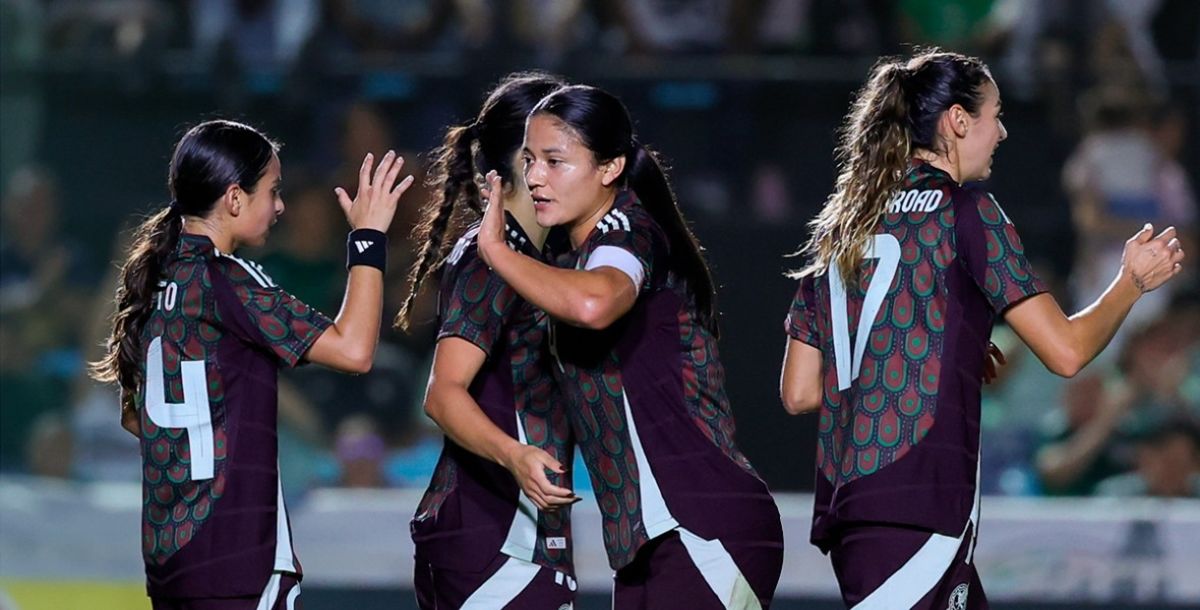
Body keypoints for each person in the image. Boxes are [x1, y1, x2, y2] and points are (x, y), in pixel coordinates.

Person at [779, 50, 1185, 609]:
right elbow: (1065, 352)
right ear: (957, 120)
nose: (1002, 130)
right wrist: (1131, 282)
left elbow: (800, 392)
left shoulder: (844, 224)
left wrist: (934, 351)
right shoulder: (966, 212)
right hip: (919, 508)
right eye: (995, 113)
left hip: (857, 506)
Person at [477, 84, 784, 609]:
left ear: (610, 167)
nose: (534, 177)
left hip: (700, 522)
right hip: (644, 540)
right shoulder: (567, 261)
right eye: (529, 160)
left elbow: (596, 304)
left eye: (555, 161)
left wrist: (497, 253)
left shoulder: (628, 231)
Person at [90, 119, 414, 610]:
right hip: (237, 555)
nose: (280, 205)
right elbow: (354, 350)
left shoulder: (153, 280)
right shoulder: (229, 281)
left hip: (171, 556)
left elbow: (136, 418)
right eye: (273, 190)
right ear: (235, 198)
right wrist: (367, 237)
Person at [396, 73, 579, 609]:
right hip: (496, 537)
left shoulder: (534, 258)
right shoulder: (492, 258)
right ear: (530, 159)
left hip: (507, 533)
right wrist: (517, 456)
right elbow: (443, 392)